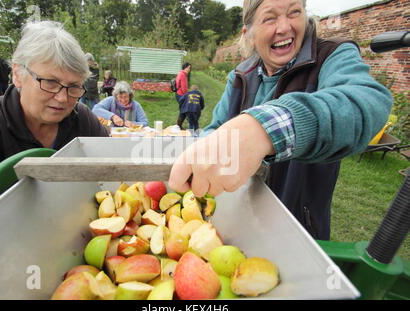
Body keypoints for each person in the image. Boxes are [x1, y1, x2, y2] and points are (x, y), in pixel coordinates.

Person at [168, 0, 392, 240]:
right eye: (270, 18)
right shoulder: (240, 75)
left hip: (295, 233)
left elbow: (366, 103)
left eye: (294, 12)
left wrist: (263, 130)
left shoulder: (332, 56)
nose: (284, 27)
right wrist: (204, 150)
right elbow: (215, 129)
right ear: (249, 33)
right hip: (235, 221)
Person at [0, 21, 108, 199]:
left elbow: (111, 175)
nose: (62, 98)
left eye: (74, 86)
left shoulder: (82, 120)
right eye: (50, 82)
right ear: (17, 74)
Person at [175, 62, 192, 129]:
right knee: (184, 111)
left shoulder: (180, 73)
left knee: (184, 110)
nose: (189, 69)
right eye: (188, 68)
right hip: (181, 95)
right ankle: (179, 126)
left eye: (190, 68)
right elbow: (184, 88)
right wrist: (187, 96)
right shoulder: (183, 75)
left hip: (178, 94)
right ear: (185, 67)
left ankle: (179, 125)